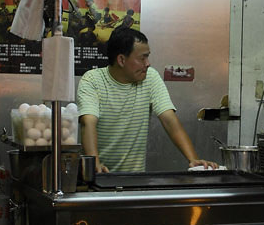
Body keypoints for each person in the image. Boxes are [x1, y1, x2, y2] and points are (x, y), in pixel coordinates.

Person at [76, 27, 217, 173]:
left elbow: (169, 119)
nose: (148, 63)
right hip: (99, 176)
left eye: (147, 57)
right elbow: (88, 122)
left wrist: (193, 160)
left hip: (134, 179)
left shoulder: (150, 77)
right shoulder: (92, 80)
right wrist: (95, 165)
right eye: (142, 58)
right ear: (121, 60)